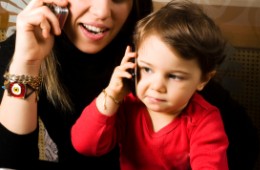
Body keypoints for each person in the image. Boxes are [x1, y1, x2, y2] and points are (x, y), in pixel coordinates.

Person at [71, 0, 229, 169]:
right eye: (147, 69)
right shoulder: (128, 106)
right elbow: (85, 144)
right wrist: (112, 93)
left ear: (203, 80)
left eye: (174, 76)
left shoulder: (204, 121)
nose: (157, 86)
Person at [0, 0, 153, 169]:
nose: (102, 12)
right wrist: (27, 64)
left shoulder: (159, 44)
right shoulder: (25, 47)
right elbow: (13, 161)